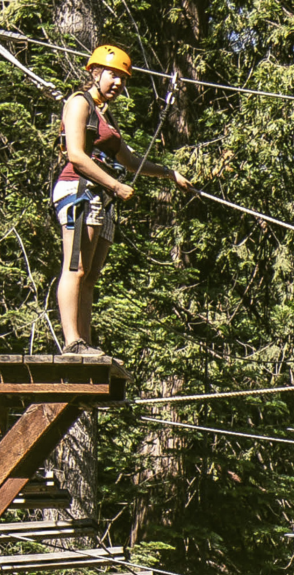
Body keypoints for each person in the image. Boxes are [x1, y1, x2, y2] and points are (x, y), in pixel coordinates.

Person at [53, 44, 191, 357]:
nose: (118, 83)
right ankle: (72, 341)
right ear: (95, 72)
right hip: (78, 191)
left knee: (89, 276)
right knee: (74, 268)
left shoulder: (105, 115)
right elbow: (75, 155)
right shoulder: (79, 103)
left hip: (100, 197)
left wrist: (170, 174)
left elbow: (129, 160)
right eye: (113, 75)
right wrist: (116, 186)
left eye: (123, 79)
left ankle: (84, 344)